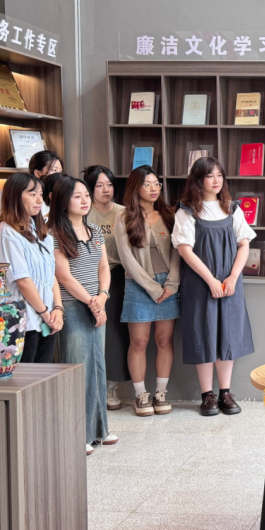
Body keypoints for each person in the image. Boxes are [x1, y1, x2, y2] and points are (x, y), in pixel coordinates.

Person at [173, 156, 254, 416]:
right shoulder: (186, 211)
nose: (216, 180)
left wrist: (232, 277)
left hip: (230, 284)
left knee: (227, 334)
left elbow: (244, 244)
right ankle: (207, 395)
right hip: (199, 284)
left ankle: (225, 393)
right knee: (203, 334)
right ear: (198, 180)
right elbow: (185, 251)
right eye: (210, 175)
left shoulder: (232, 208)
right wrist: (210, 280)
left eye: (219, 175)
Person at [51, 175, 117, 454]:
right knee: (78, 368)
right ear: (62, 201)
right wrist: (92, 302)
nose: (85, 200)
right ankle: (77, 434)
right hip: (73, 306)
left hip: (96, 304)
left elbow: (104, 268)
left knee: (98, 366)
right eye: (77, 196)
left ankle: (99, 430)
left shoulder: (94, 230)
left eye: (86, 195)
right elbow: (64, 277)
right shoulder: (54, 234)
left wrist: (102, 297)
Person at [115, 166, 181, 416]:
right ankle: (141, 395)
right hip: (138, 284)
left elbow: (178, 252)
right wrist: (152, 287)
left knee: (164, 340)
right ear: (135, 187)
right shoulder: (123, 217)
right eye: (147, 184)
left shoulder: (169, 214)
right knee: (139, 342)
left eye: (157, 184)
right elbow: (127, 259)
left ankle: (160, 393)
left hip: (168, 285)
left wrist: (171, 284)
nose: (154, 189)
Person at [0, 172, 63, 363]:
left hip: (46, 318)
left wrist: (58, 309)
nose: (39, 200)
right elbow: (22, 280)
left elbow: (50, 275)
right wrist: (45, 313)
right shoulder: (7, 233)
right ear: (15, 196)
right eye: (32, 194)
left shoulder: (40, 232)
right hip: (23, 321)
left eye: (41, 194)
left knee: (45, 375)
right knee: (25, 375)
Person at [85, 164, 131, 408]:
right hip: (88, 279)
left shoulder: (124, 213)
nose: (106, 190)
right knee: (91, 331)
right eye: (99, 185)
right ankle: (91, 387)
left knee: (114, 334)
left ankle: (111, 388)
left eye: (109, 184)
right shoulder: (84, 213)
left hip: (119, 277)